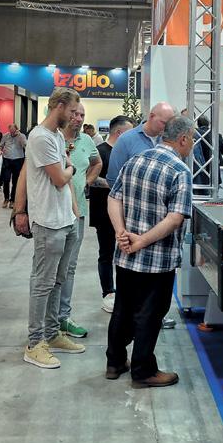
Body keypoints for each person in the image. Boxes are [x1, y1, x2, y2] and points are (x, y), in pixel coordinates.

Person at [105, 116, 194, 387]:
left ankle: (115, 362)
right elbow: (175, 218)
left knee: (122, 308)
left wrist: (121, 233)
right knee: (150, 314)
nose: (192, 144)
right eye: (192, 138)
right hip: (157, 259)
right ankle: (143, 371)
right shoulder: (180, 170)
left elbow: (113, 198)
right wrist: (142, 241)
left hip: (126, 254)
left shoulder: (136, 160)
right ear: (182, 139)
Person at [19, 87, 86, 369]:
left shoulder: (57, 136)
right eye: (72, 111)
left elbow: (65, 173)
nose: (74, 117)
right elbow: (60, 177)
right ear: (58, 106)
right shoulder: (40, 138)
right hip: (47, 222)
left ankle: (52, 332)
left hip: (65, 219)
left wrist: (74, 210)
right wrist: (71, 169)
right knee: (43, 283)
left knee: (58, 280)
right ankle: (35, 343)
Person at [58, 100, 102, 339]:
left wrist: (87, 181)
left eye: (82, 115)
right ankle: (47, 320)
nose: (78, 118)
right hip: (53, 213)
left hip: (79, 213)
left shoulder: (86, 141)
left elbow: (97, 162)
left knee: (70, 266)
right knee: (50, 268)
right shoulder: (52, 138)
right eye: (75, 113)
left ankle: (63, 317)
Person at [89, 115, 135, 313]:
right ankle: (108, 293)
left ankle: (127, 293)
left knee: (127, 250)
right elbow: (90, 179)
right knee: (106, 253)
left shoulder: (128, 153)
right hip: (103, 211)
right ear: (120, 132)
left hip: (127, 212)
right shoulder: (99, 152)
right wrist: (115, 185)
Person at [106, 102, 175, 186]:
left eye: (169, 125)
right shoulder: (126, 140)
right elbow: (113, 179)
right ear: (151, 116)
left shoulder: (170, 141)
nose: (166, 127)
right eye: (164, 123)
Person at [0, 124, 26, 209]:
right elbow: (1, 145)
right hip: (7, 159)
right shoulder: (6, 136)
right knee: (6, 180)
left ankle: (12, 200)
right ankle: (6, 198)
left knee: (15, 181)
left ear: (17, 130)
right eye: (10, 131)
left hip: (18, 159)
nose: (12, 133)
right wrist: (0, 150)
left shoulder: (21, 136)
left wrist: (19, 135)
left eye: (13, 131)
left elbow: (25, 145)